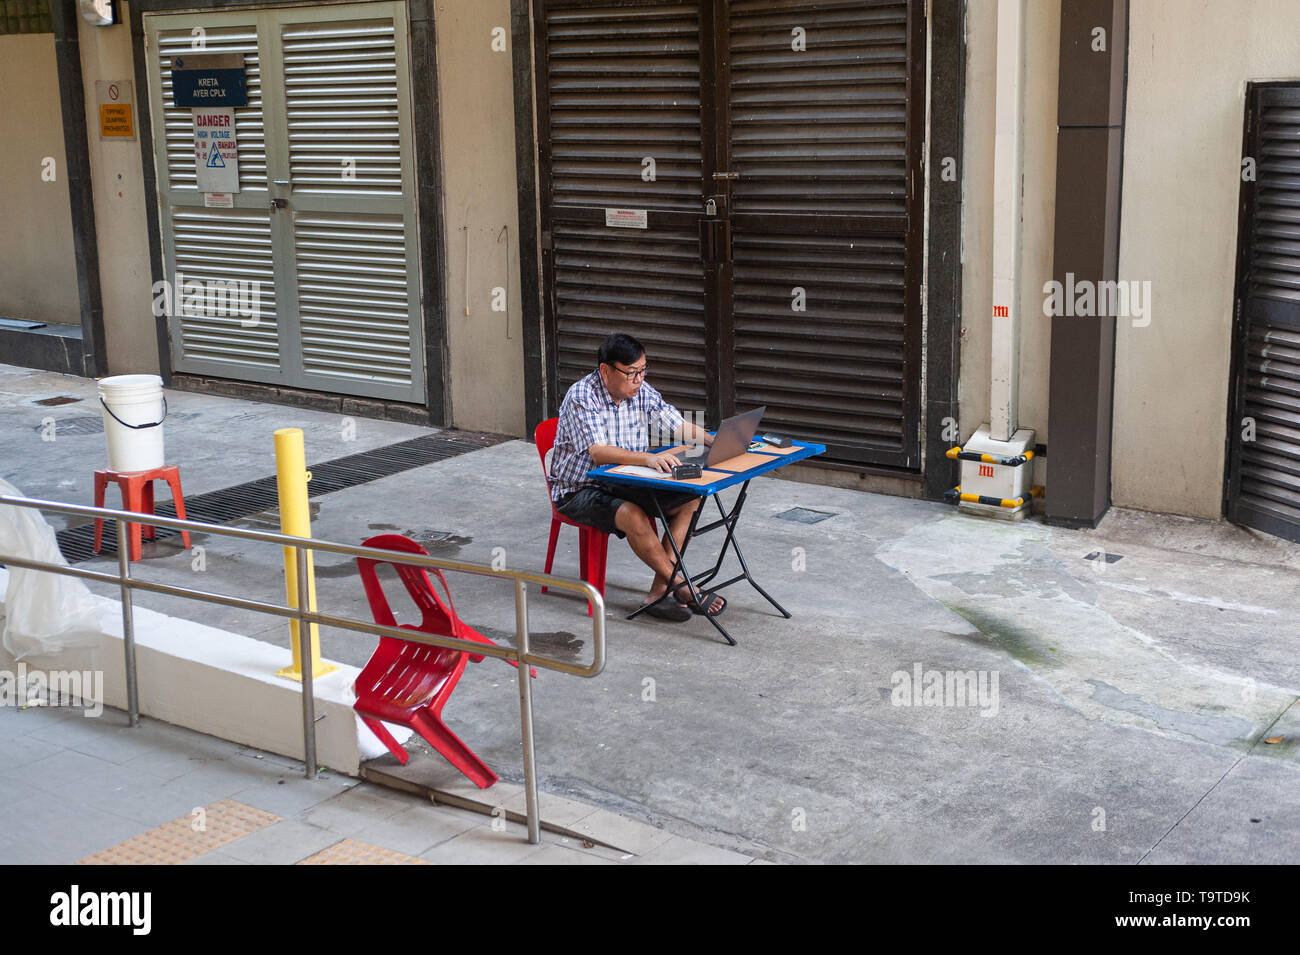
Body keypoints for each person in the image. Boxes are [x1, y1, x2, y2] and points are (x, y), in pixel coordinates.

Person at [548, 332, 727, 622]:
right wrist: (648, 458)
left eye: (643, 370)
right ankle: (683, 585)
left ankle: (658, 592)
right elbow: (599, 452)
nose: (638, 379)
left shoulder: (640, 391)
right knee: (632, 514)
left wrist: (713, 442)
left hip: (626, 480)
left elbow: (676, 424)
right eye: (631, 373)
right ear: (606, 370)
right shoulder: (583, 396)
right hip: (579, 488)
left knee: (691, 499)